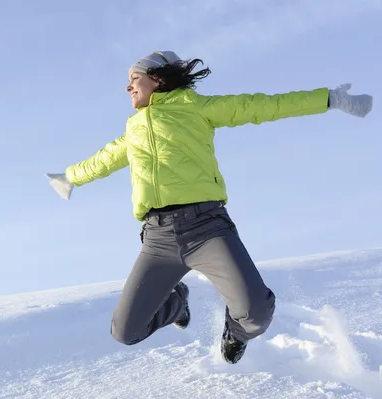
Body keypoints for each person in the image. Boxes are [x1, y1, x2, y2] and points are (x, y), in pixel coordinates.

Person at [45, 50, 373, 364]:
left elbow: (262, 106)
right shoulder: (134, 128)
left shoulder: (196, 108)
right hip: (157, 240)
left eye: (135, 77)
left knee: (256, 314)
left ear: (157, 79)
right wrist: (69, 177)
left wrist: (329, 98)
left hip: (206, 228)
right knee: (125, 332)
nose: (128, 86)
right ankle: (176, 303)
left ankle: (236, 332)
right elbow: (103, 160)